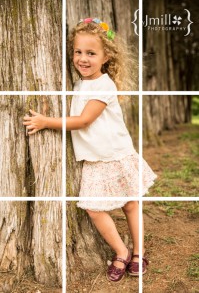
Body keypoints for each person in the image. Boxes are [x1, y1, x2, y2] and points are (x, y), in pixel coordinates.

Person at [23, 18, 156, 282]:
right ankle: (121, 251)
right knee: (94, 209)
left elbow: (84, 121)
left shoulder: (103, 85)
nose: (82, 59)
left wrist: (45, 122)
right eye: (78, 52)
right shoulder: (80, 83)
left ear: (106, 57)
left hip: (115, 154)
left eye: (91, 53)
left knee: (130, 204)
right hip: (94, 159)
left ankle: (139, 253)